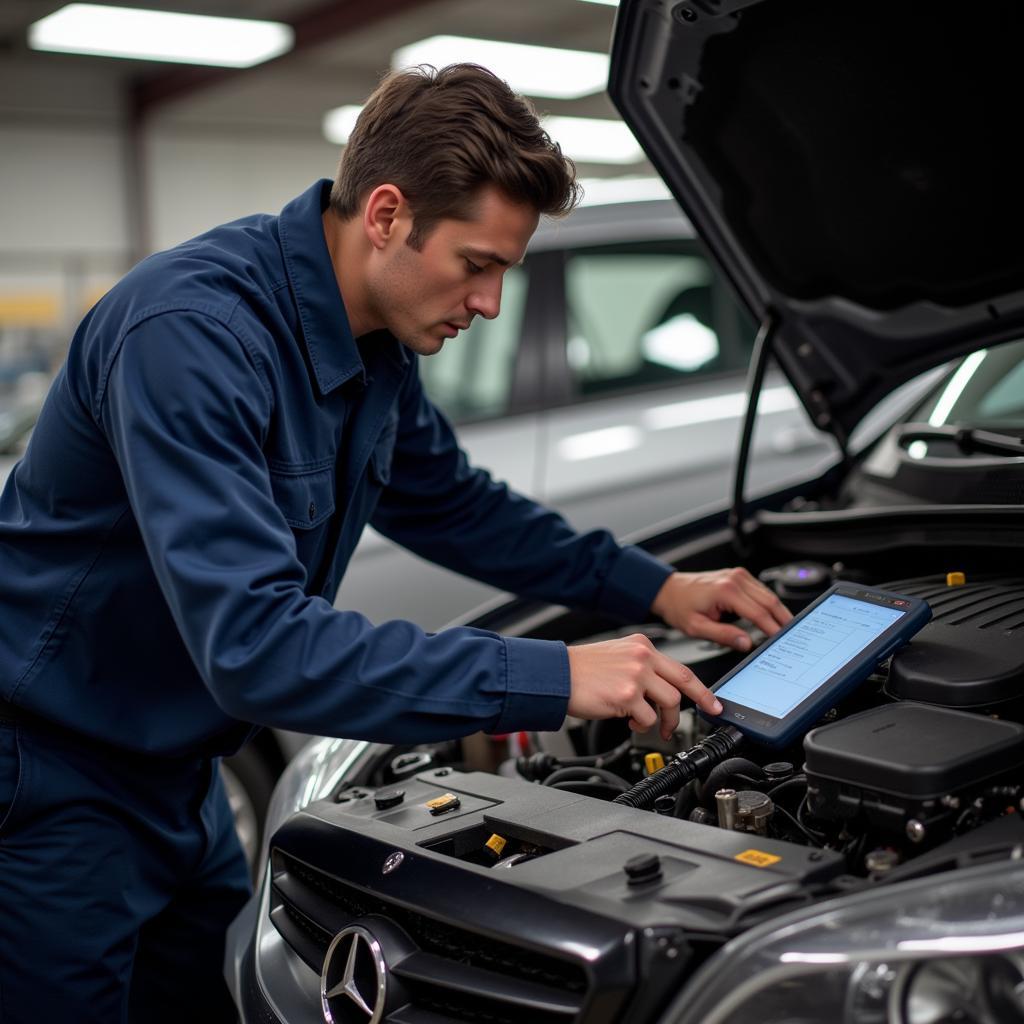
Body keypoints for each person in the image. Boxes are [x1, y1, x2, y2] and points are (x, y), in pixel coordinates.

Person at [0, 63, 790, 1020]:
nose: (490, 303)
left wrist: (656, 590)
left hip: (181, 781)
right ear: (385, 215)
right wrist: (553, 675)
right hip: (51, 784)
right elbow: (258, 648)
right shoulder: (191, 337)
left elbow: (455, 505)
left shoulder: (373, 341)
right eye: (477, 263)